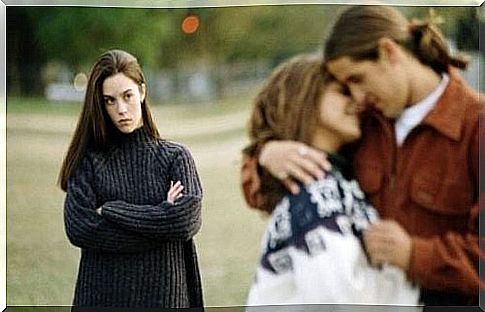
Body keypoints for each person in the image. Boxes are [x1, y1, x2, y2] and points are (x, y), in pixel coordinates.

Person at [241, 6, 483, 306]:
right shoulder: (365, 122)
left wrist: (413, 254)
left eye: (357, 79)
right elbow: (261, 193)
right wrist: (267, 152)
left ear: (389, 52)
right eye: (346, 88)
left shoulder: (476, 127)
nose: (356, 97)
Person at [243, 53, 420, 306]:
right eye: (342, 91)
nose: (357, 101)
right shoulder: (312, 192)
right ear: (306, 100)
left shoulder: (337, 181)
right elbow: (341, 301)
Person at [58, 49, 204, 308]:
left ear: (142, 92)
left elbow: (184, 221)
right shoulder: (89, 162)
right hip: (103, 299)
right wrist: (162, 217)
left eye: (127, 96)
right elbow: (80, 228)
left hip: (165, 299)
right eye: (109, 101)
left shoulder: (175, 158)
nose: (121, 109)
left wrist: (115, 211)